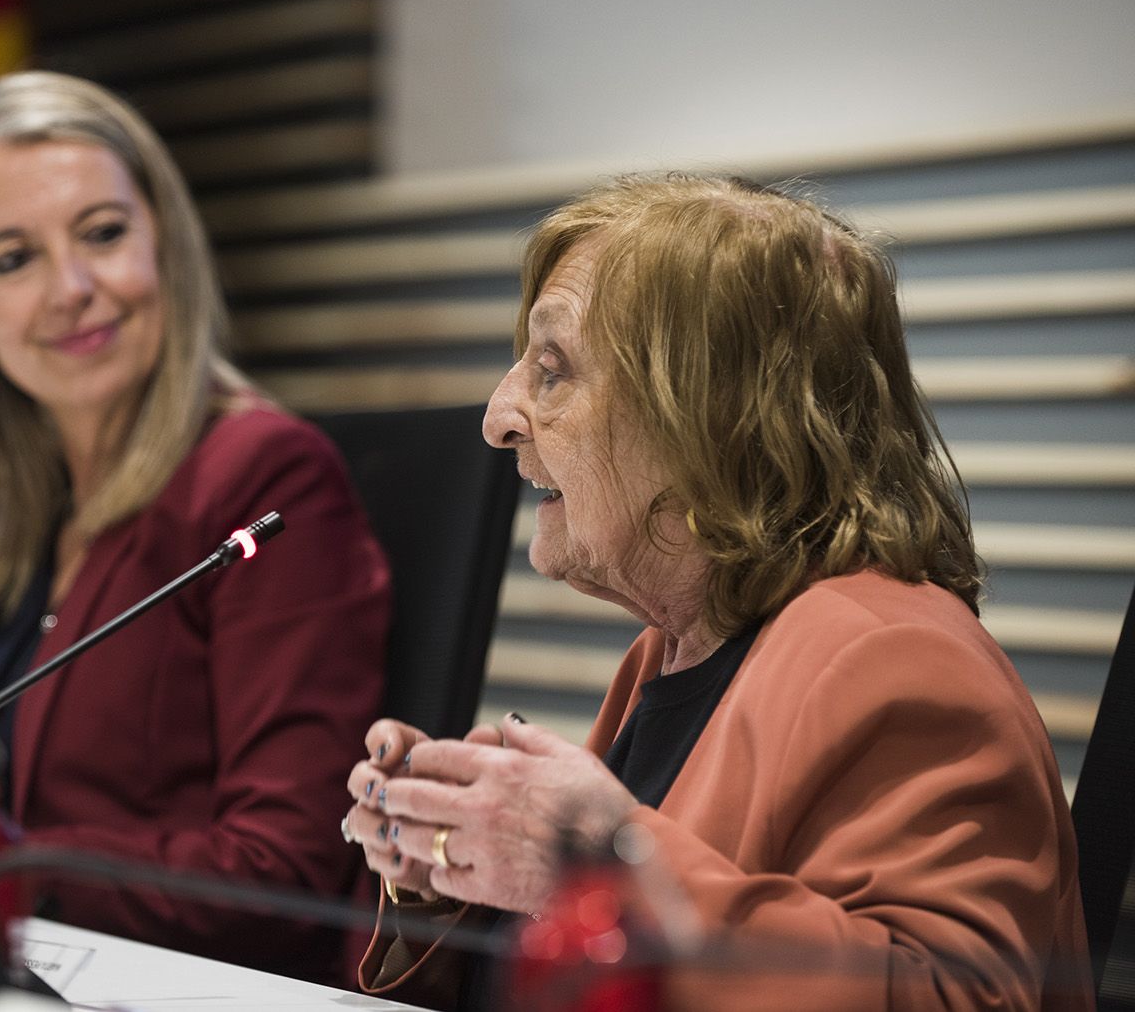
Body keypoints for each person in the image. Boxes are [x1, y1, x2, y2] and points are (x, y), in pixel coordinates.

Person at [346, 174, 1093, 1010]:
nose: (499, 415)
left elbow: (958, 999)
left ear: (711, 417)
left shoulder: (901, 661)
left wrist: (608, 852)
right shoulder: (668, 651)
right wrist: (457, 866)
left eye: (551, 369)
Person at [0, 71, 389, 983]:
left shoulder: (264, 477)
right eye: (13, 259)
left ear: (162, 238)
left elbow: (284, 874)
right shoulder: (6, 506)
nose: (73, 287)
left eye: (104, 234)